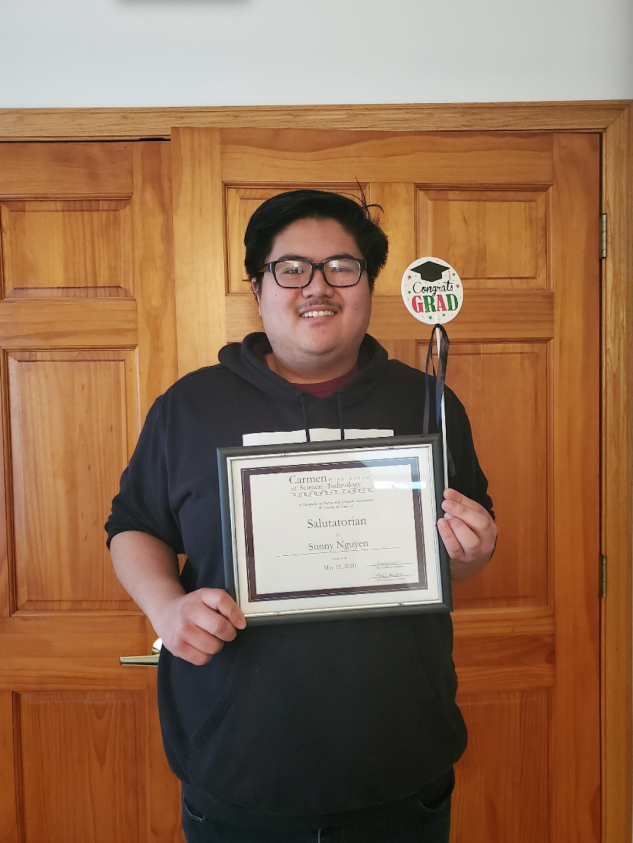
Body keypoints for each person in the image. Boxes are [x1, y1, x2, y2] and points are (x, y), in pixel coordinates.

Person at [106, 189, 497, 842]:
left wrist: (475, 552)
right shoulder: (189, 407)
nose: (318, 286)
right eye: (292, 268)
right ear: (258, 286)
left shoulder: (429, 403)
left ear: (369, 284)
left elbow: (464, 550)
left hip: (401, 769)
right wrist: (167, 609)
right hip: (237, 771)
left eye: (342, 266)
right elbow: (134, 525)